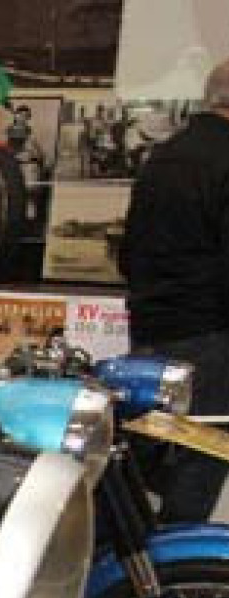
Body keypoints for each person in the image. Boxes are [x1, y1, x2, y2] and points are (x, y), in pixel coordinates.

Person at [118, 57, 229, 523]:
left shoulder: (163, 156)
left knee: (143, 463)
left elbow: (128, 249)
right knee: (200, 462)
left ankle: (131, 557)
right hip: (209, 337)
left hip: (149, 330)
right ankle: (174, 562)